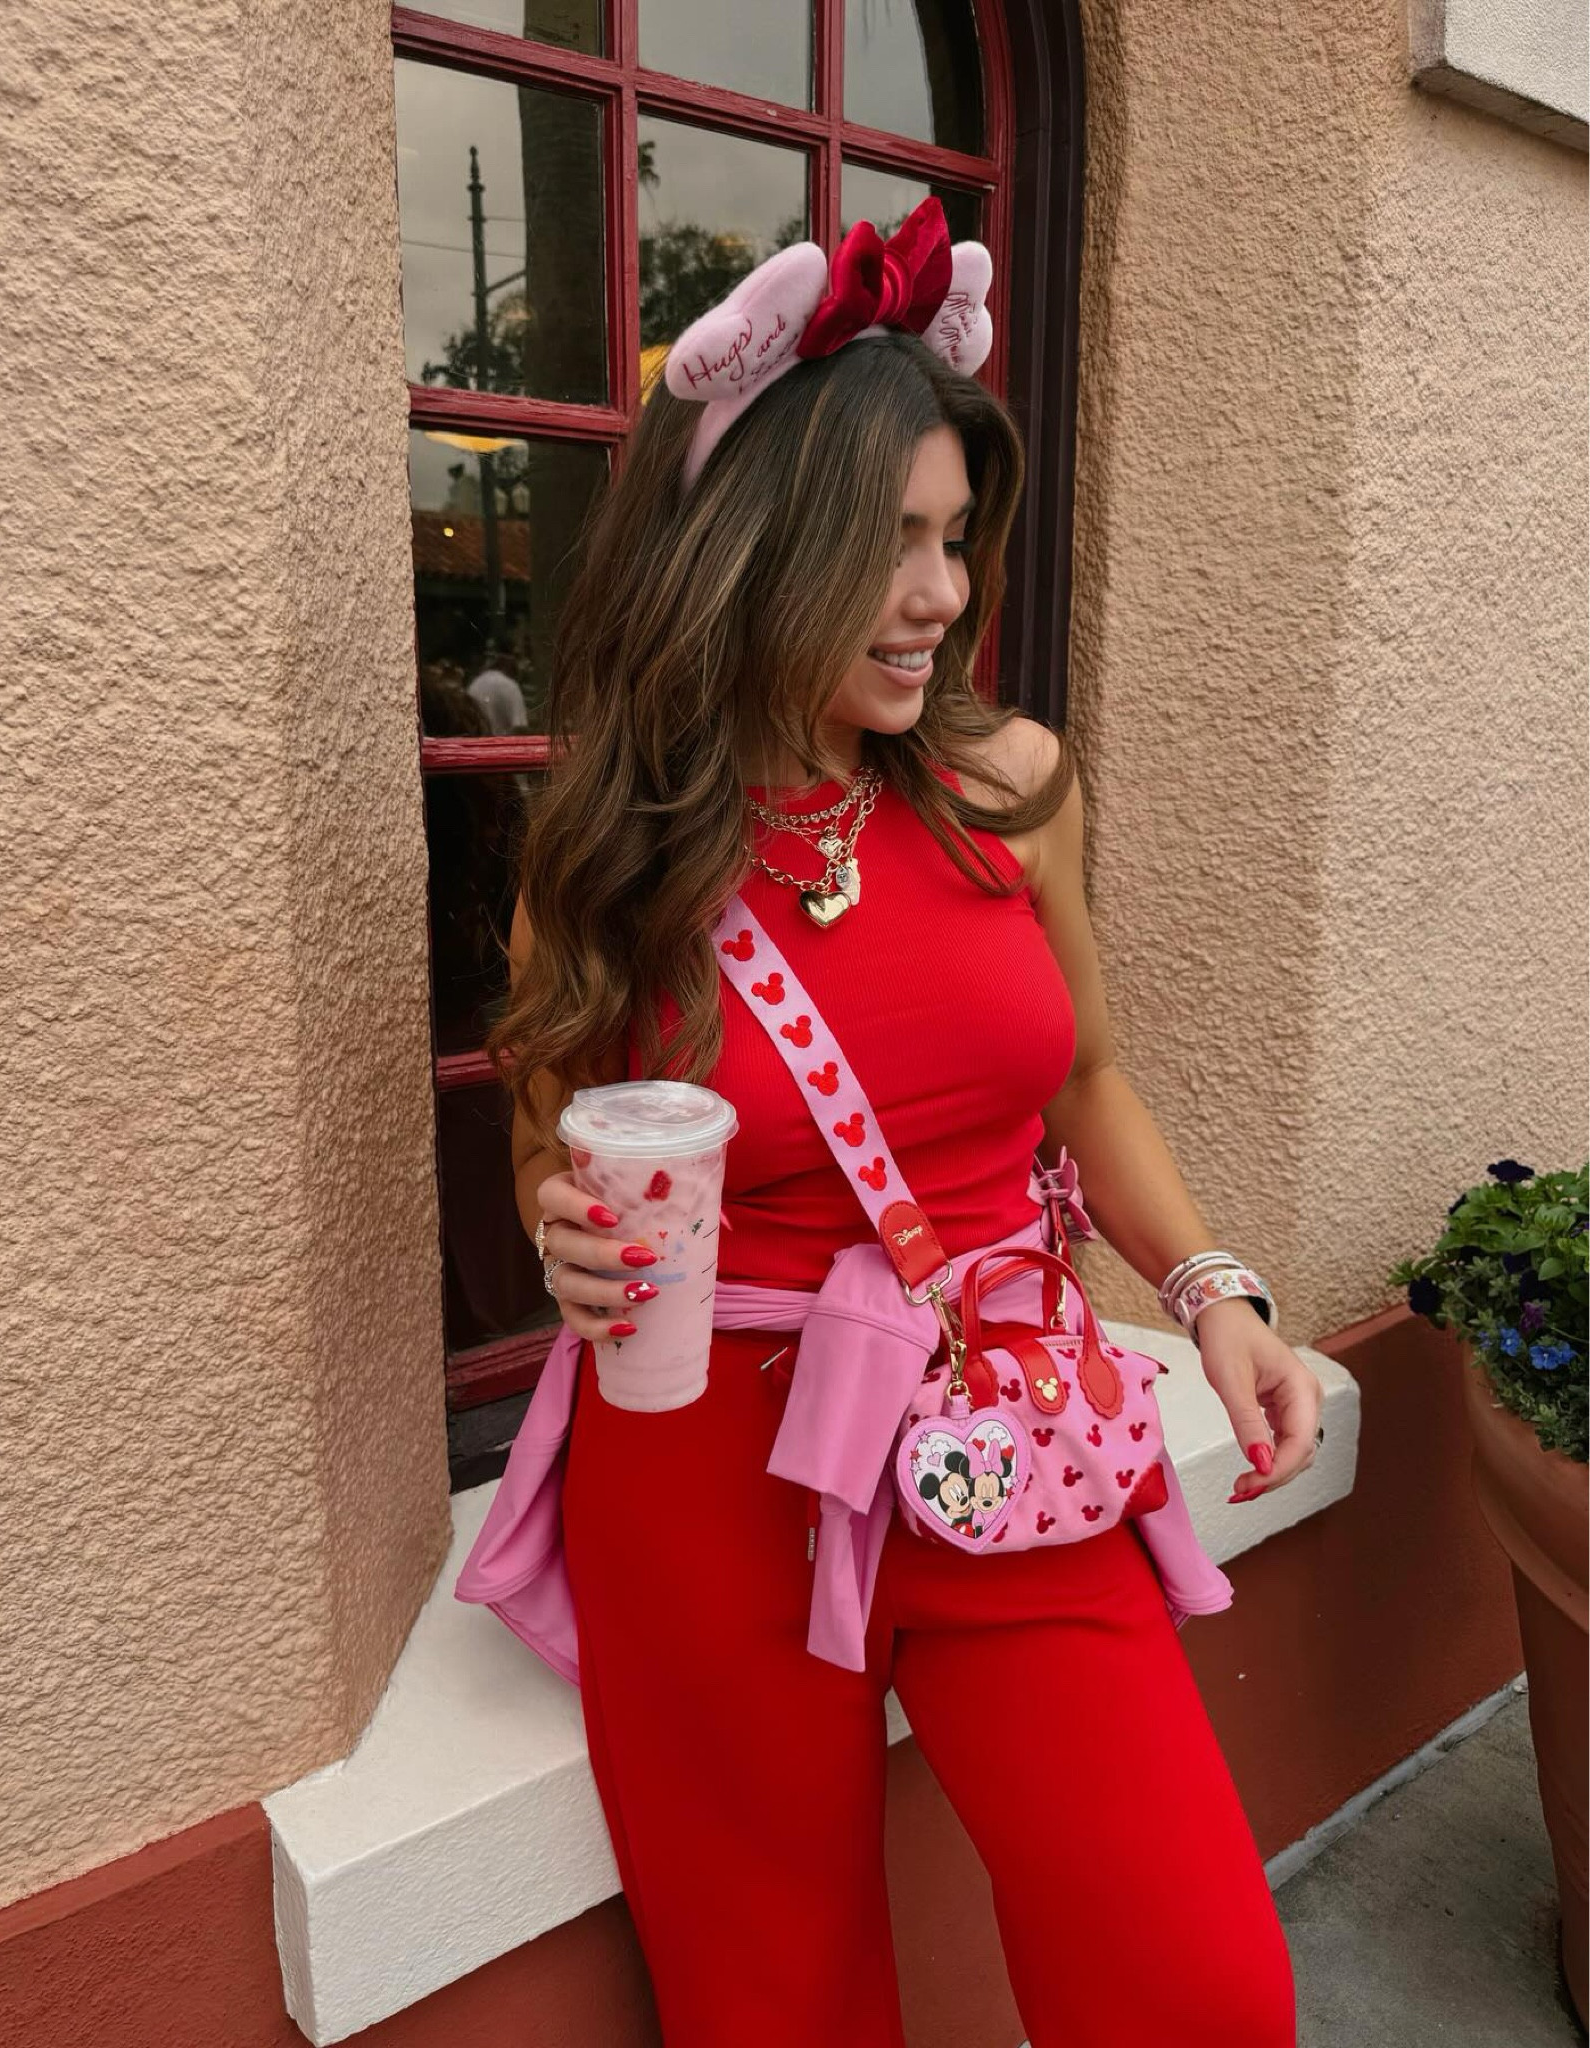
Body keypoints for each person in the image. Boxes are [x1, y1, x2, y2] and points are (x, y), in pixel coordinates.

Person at [476, 200, 1319, 2046]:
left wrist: (1216, 1292)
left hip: (998, 1419)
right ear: (751, 555)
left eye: (955, 538)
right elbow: (557, 1127)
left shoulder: (1007, 789)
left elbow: (1087, 1071)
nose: (942, 595)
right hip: (704, 1470)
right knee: (773, 2002)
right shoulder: (609, 871)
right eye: (889, 547)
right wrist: (561, 1218)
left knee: (1197, 1982)